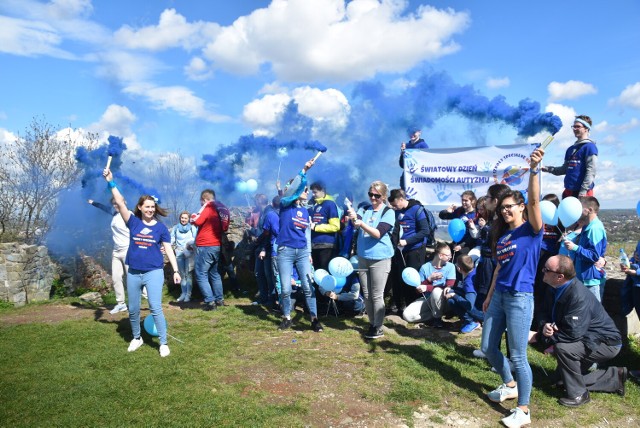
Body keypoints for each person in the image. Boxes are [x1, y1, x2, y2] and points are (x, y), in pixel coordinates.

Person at [480, 147, 545, 428]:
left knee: (518, 355)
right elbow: (498, 267)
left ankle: (524, 410)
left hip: (520, 297)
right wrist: (489, 296)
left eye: (511, 206)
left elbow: (534, 198)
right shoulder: (504, 236)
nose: (506, 210)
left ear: (521, 208)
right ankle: (509, 384)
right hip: (500, 296)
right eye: (503, 207)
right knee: (488, 347)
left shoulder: (532, 230)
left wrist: (534, 170)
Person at [102, 168, 180, 358]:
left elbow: (168, 249)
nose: (150, 209)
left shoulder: (161, 228)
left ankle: (163, 342)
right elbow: (119, 202)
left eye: (152, 207)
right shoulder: (133, 222)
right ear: (139, 208)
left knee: (155, 307)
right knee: (134, 308)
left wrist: (176, 270)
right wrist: (111, 182)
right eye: (147, 207)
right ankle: (137, 338)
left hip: (154, 271)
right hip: (134, 272)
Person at [536, 255, 627, 407]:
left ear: (560, 276)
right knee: (561, 381)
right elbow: (543, 311)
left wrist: (540, 337)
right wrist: (545, 325)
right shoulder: (555, 286)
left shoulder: (577, 296)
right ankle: (614, 377)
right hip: (588, 337)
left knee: (563, 348)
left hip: (606, 343)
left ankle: (579, 394)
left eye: (546, 269)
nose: (542, 271)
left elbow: (573, 334)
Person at [277, 158, 323, 332]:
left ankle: (314, 319)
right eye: (304, 189)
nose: (306, 191)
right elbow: (292, 190)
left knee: (308, 285)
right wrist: (304, 169)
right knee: (286, 288)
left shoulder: (305, 211)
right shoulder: (285, 205)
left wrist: (309, 252)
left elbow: (307, 234)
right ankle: (287, 317)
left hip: (303, 251)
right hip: (286, 251)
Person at [347, 181, 396, 339]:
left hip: (380, 258)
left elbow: (378, 233)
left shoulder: (388, 212)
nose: (373, 198)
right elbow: (356, 225)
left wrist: (361, 223)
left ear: (383, 197)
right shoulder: (364, 208)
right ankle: (372, 323)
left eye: (377, 195)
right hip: (363, 256)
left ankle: (378, 327)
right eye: (371, 194)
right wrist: (354, 218)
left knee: (376, 294)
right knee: (367, 293)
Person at [388, 188, 431, 315]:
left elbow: (425, 231)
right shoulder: (396, 212)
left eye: (396, 204)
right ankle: (401, 306)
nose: (395, 207)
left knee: (412, 278)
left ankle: (414, 308)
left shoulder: (417, 210)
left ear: (402, 199)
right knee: (399, 278)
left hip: (415, 250)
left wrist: (407, 241)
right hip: (400, 251)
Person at [88, 198, 132, 314]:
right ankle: (121, 304)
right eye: (114, 204)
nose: (116, 205)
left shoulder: (129, 214)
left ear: (124, 202)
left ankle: (146, 299)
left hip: (128, 249)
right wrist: (92, 202)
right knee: (116, 278)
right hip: (116, 251)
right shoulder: (114, 213)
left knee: (132, 278)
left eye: (118, 203)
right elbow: (103, 207)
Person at [190, 189, 229, 311]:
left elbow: (197, 221)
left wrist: (193, 215)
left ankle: (210, 302)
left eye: (201, 202)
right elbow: (225, 227)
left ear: (204, 199)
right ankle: (219, 300)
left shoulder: (209, 207)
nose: (201, 204)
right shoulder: (222, 208)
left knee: (200, 274)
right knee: (214, 273)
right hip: (216, 245)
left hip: (205, 245)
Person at [562, 196, 607, 301]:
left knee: (593, 314)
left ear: (590, 210)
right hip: (584, 279)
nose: (576, 212)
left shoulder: (595, 228)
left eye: (580, 209)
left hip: (591, 281)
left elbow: (594, 256)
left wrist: (575, 248)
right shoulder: (588, 227)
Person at [542, 115, 597, 198]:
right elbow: (564, 169)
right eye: (573, 126)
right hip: (568, 191)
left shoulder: (590, 147)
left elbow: (591, 172)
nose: (574, 129)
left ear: (586, 128)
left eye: (578, 126)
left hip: (583, 192)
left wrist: (583, 192)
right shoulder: (570, 149)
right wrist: (546, 168)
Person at [402, 242, 456, 326]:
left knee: (437, 291)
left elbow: (449, 286)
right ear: (440, 256)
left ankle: (437, 319)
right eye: (448, 255)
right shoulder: (425, 267)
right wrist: (429, 279)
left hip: (443, 300)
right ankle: (432, 316)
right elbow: (418, 289)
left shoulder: (450, 267)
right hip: (427, 299)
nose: (450, 257)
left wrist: (427, 287)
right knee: (407, 315)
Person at [445, 255, 484, 333]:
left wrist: (454, 295)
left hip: (482, 313)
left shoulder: (468, 283)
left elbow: (469, 305)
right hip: (484, 307)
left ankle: (471, 322)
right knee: (452, 293)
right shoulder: (474, 271)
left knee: (451, 301)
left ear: (459, 268)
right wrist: (453, 289)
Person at [254, 195, 280, 308]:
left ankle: (271, 299)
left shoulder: (269, 213)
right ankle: (265, 297)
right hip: (263, 246)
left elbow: (267, 233)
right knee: (260, 273)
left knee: (268, 275)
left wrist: (263, 247)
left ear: (258, 202)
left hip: (267, 248)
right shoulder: (265, 212)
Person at [308, 181, 340, 271]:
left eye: (315, 192)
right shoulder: (312, 205)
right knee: (316, 273)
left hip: (326, 245)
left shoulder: (330, 204)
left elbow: (335, 226)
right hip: (313, 245)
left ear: (323, 191)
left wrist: (316, 227)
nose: (313, 195)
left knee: (325, 273)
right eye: (312, 192)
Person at [438, 190, 477, 259]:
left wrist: (462, 245)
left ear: (472, 201)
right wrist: (446, 211)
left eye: (466, 200)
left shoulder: (475, 215)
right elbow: (442, 216)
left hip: (468, 245)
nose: (463, 202)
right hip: (456, 243)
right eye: (462, 200)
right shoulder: (459, 211)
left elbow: (474, 235)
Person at [171, 211, 197, 302]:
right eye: (182, 218)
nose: (183, 220)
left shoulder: (192, 228)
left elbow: (196, 239)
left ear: (188, 219)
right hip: (179, 253)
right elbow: (172, 240)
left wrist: (192, 246)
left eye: (185, 218)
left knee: (188, 275)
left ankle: (188, 295)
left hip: (189, 254)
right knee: (182, 275)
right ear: (180, 218)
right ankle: (183, 293)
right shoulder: (175, 228)